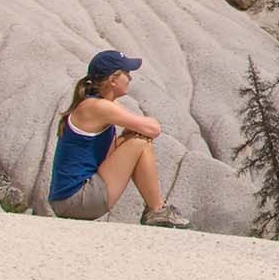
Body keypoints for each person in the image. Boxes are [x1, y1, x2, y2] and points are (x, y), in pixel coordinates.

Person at [48, 50, 190, 227]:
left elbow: (114, 149)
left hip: (68, 199)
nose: (130, 78)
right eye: (127, 73)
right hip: (76, 200)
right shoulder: (98, 107)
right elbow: (153, 129)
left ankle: (156, 209)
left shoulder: (97, 104)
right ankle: (157, 209)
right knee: (140, 141)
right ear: (113, 80)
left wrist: (130, 135)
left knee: (133, 138)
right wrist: (138, 132)